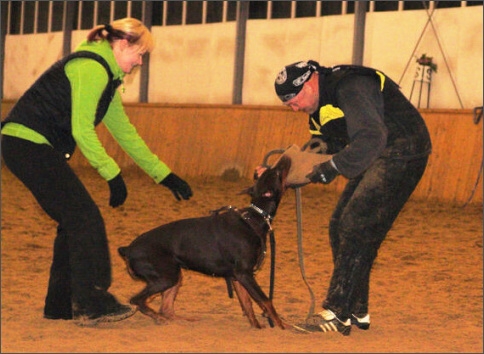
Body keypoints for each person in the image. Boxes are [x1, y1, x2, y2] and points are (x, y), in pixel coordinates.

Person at [1, 18, 193, 326]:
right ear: (121, 45)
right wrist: (111, 173)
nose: (140, 61)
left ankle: (60, 305)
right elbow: (81, 129)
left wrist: (164, 175)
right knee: (85, 218)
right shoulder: (90, 69)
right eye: (139, 53)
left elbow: (125, 134)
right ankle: (94, 303)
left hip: (30, 146)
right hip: (27, 144)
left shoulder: (108, 79)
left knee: (73, 220)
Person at [272, 60, 431, 335]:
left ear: (309, 84)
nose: (295, 109)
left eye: (294, 102)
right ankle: (357, 308)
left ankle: (337, 312)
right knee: (339, 225)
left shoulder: (352, 86)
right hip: (373, 153)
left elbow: (371, 137)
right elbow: (324, 148)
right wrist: (277, 172)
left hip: (403, 151)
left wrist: (334, 168)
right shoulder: (318, 109)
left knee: (356, 224)